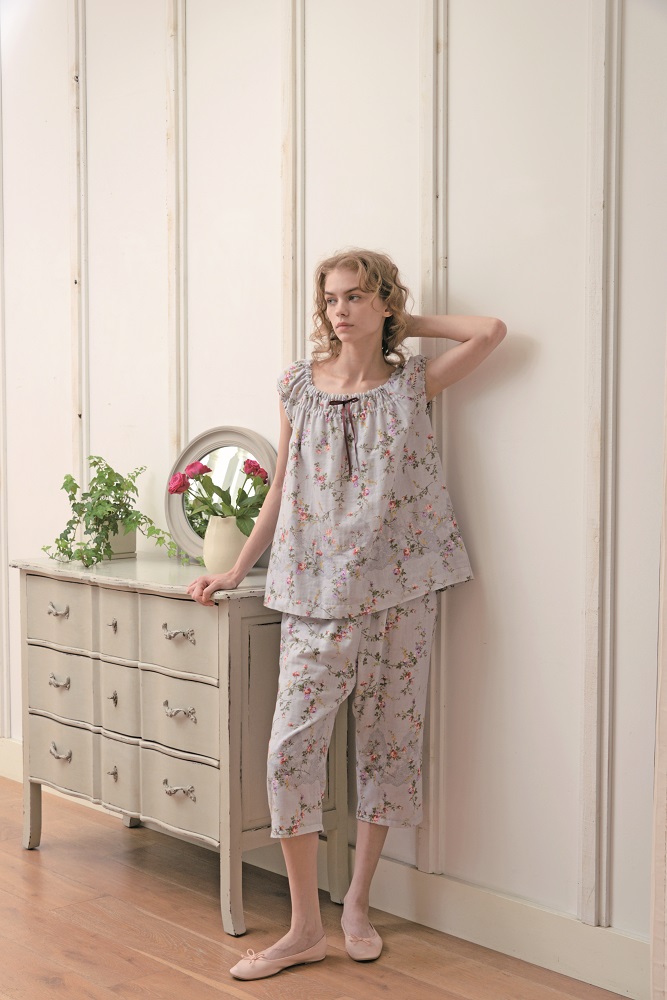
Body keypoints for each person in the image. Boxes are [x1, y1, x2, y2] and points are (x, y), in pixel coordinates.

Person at [187, 248, 506, 981]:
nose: (340, 310)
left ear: (383, 302)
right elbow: (281, 485)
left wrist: (403, 324)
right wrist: (237, 569)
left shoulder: (412, 383)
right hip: (313, 593)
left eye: (357, 296)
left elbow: (489, 331)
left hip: (400, 590)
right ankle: (304, 927)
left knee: (388, 748)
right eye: (331, 298)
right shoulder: (297, 385)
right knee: (289, 753)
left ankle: (358, 902)